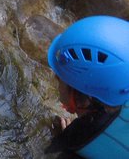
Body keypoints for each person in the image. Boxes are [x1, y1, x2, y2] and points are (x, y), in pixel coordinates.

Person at [46, 15, 129, 158]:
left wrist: (68, 138)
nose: (55, 78)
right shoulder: (122, 85)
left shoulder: (81, 137)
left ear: (82, 98)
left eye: (59, 78)